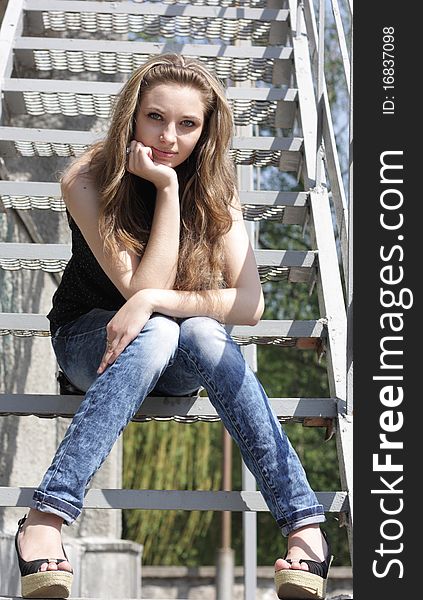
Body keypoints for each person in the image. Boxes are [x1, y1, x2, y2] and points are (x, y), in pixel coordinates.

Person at [14, 53, 332, 600]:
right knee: (160, 330)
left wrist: (159, 299)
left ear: (206, 131)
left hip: (173, 350)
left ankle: (303, 524)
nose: (168, 137)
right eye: (155, 118)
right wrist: (164, 190)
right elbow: (136, 291)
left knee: (202, 333)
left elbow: (249, 304)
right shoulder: (86, 179)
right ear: (131, 116)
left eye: (187, 125)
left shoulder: (215, 189)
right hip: (92, 342)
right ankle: (47, 516)